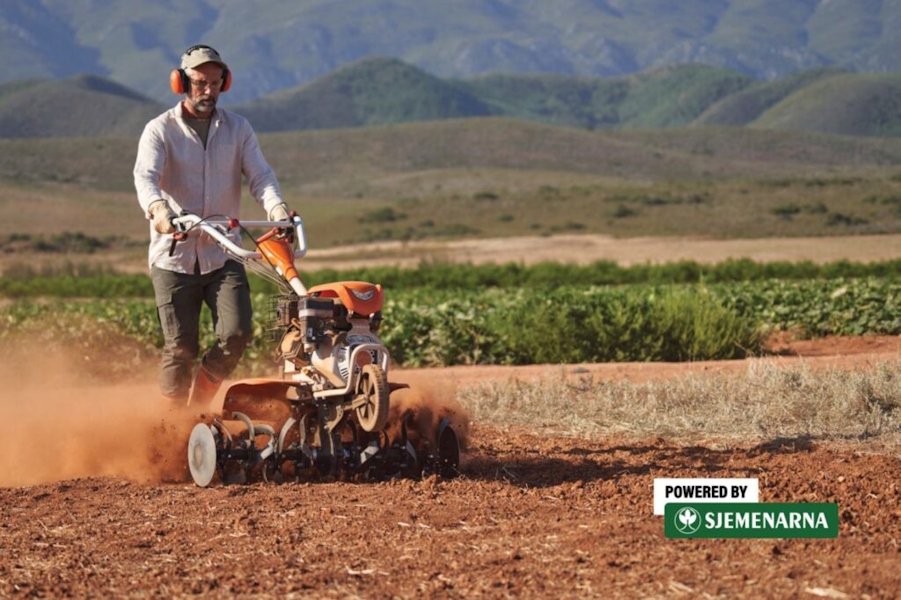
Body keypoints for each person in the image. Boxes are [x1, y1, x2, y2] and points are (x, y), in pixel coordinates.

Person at [133, 44, 292, 410]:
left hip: (224, 252)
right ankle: (170, 424)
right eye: (200, 83)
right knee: (181, 346)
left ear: (225, 83)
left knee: (236, 333)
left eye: (215, 83)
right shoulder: (159, 130)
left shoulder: (238, 129)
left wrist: (276, 206)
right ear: (182, 82)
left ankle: (198, 409)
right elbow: (146, 178)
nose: (208, 91)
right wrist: (158, 210)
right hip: (174, 256)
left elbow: (261, 176)